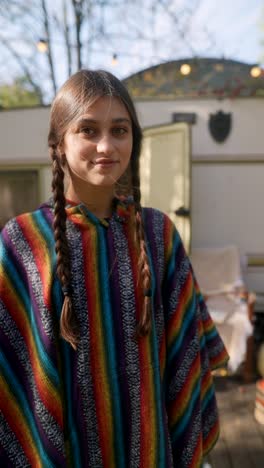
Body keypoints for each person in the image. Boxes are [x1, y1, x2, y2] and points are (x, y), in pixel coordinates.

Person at [0, 70, 228, 468]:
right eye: (88, 130)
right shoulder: (22, 240)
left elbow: (186, 351)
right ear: (58, 142)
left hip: (150, 450)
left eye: (120, 130)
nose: (106, 145)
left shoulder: (158, 235)